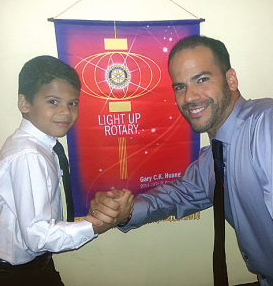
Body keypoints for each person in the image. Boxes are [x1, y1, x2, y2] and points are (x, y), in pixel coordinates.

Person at [90, 35, 273, 286]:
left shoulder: (265, 124)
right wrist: (124, 211)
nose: (189, 97)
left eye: (202, 79)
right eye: (180, 87)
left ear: (231, 79)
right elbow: (179, 195)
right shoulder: (213, 158)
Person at [0, 55, 133, 286]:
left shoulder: (29, 146)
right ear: (24, 103)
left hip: (19, 266)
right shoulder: (28, 155)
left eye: (72, 103)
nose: (66, 112)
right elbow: (38, 239)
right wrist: (99, 225)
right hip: (11, 275)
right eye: (53, 101)